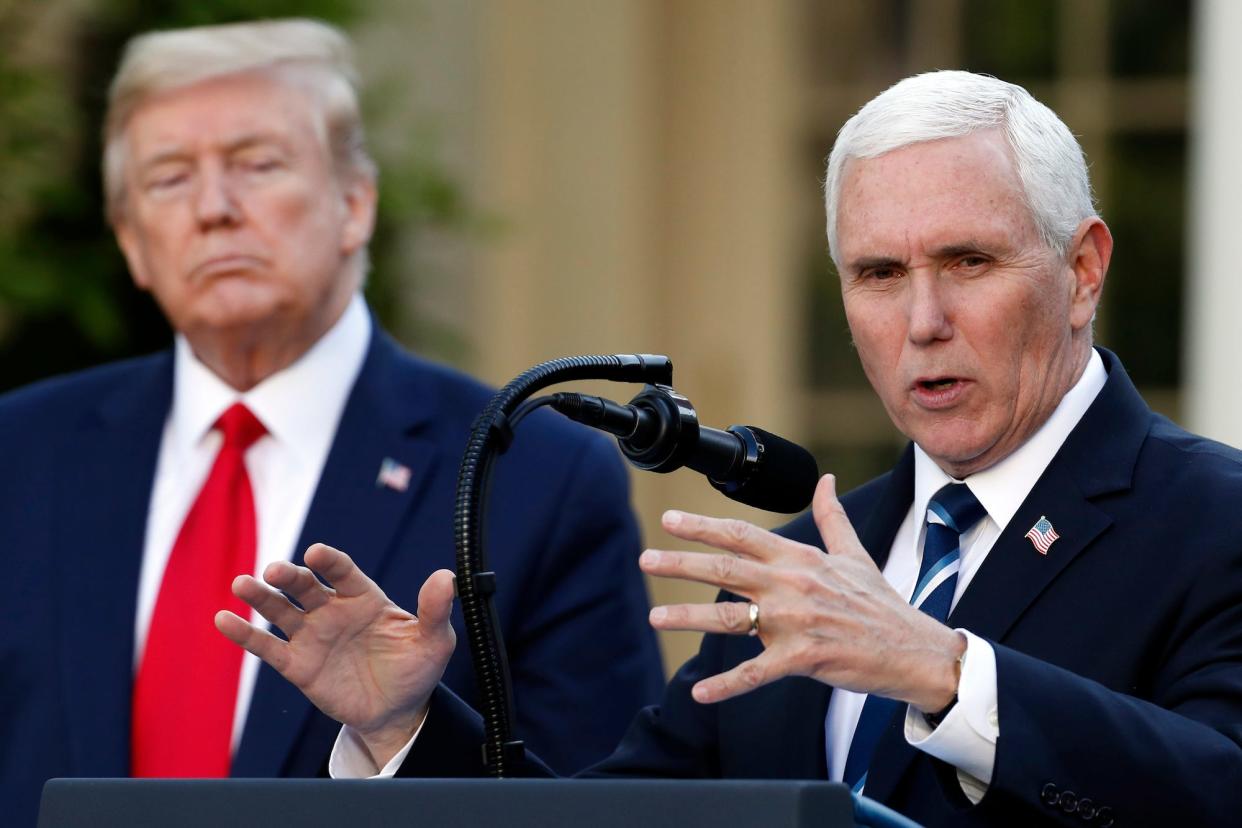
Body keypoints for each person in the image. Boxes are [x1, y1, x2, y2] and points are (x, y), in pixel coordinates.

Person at [220, 70, 1242, 826]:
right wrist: (404, 728)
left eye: (968, 260)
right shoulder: (801, 569)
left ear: (1083, 270)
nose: (922, 319)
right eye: (878, 274)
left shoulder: (1212, 520)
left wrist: (945, 670)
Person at [0, 18, 664, 827]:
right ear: (134, 243)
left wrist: (400, 735)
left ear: (354, 205)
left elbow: (602, 809)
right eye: (170, 178)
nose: (214, 208)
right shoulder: (20, 454)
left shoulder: (533, 476)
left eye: (257, 164)